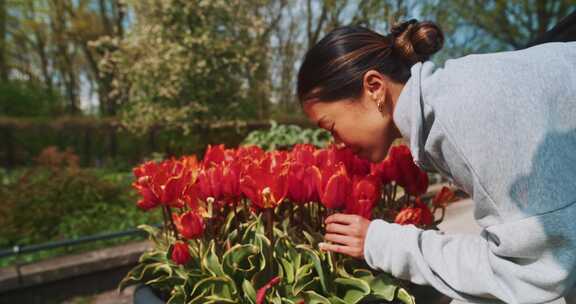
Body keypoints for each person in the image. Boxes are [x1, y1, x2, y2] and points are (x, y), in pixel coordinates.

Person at [297, 19, 576, 304]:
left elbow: (533, 271)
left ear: (374, 87)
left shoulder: (465, 114)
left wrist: (382, 243)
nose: (336, 143)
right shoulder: (453, 94)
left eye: (330, 127)